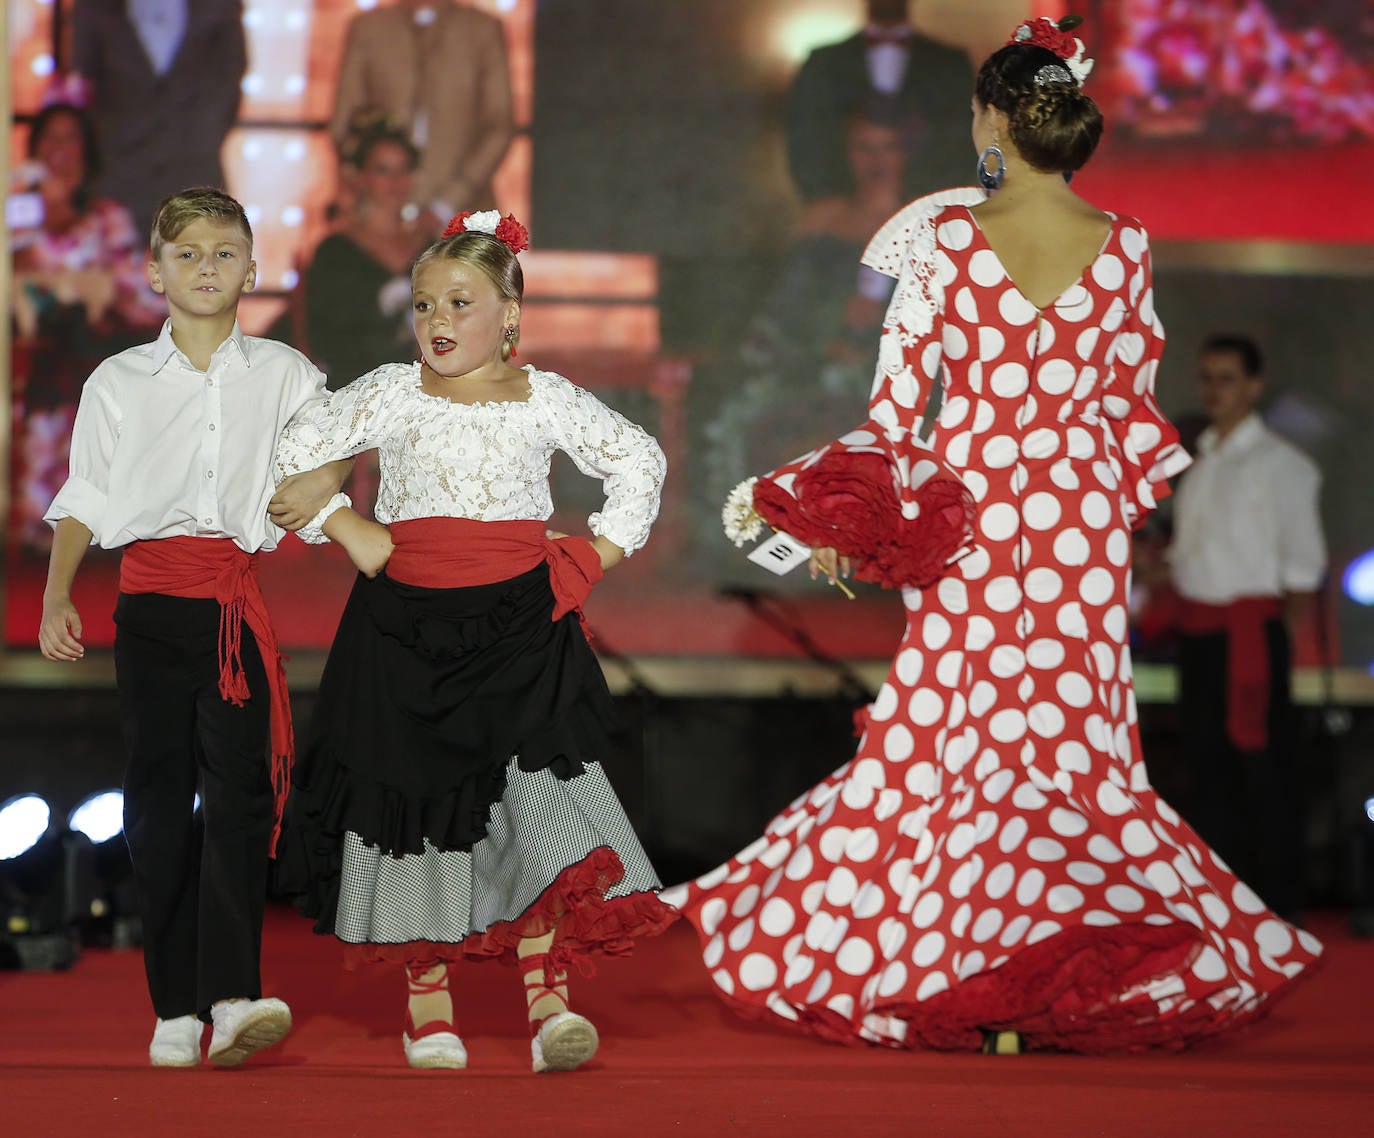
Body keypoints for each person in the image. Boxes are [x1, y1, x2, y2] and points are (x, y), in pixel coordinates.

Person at [665, 17, 1322, 1053]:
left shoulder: (944, 240)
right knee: (1073, 754)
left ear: (994, 123)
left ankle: (947, 968)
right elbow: (1127, 415)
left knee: (950, 746)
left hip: (975, 516)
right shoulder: (1128, 247)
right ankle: (1041, 977)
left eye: (975, 106)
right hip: (1077, 525)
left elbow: (894, 415)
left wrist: (846, 520)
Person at [270, 209, 673, 1073]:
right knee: (414, 816)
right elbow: (292, 458)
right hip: (406, 635)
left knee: (533, 813)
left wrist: (598, 552)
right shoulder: (390, 391)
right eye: (424, 306)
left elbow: (638, 459)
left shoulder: (545, 398)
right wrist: (349, 525)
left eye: (460, 302)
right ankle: (429, 1011)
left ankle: (549, 1002)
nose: (439, 321)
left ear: (511, 314)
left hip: (522, 633)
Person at [38, 187, 346, 1068]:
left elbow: (332, 449)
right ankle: (174, 1004)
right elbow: (84, 499)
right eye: (188, 253)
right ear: (153, 270)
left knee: (242, 800)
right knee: (160, 803)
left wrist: (322, 488)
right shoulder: (120, 381)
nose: (207, 267)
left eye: (224, 252)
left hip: (232, 610)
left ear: (253, 267)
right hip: (149, 612)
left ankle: (233, 995)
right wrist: (60, 595)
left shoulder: (285, 373)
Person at [1167, 334, 1325, 923]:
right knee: (1208, 772)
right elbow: (1192, 555)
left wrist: (1274, 642)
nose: (1213, 390)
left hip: (1251, 635)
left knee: (1265, 770)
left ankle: (1279, 904)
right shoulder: (1200, 459)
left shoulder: (1282, 466)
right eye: (1207, 377)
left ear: (1254, 387)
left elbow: (1303, 570)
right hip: (1199, 633)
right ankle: (1222, 905)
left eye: (1227, 378)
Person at [11, 100, 166, 548]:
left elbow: (131, 287)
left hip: (91, 344)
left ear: (88, 149)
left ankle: (86, 515)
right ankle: (39, 514)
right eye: (51, 137)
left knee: (83, 348)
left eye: (71, 137)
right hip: (30, 343)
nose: (60, 148)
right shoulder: (20, 210)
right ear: (36, 146)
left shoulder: (106, 214)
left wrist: (95, 291)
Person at [73, 0, 246, 235]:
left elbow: (231, 82)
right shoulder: (94, 8)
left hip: (197, 194)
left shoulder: (220, 8)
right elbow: (80, 92)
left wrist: (199, 138)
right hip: (115, 197)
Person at [330, 0, 514, 219]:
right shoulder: (369, 28)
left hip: (465, 212)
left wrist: (449, 201)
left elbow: (499, 125)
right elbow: (345, 123)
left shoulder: (481, 30)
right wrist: (369, 190)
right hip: (378, 219)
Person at [786, 0, 972, 203]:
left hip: (930, 210)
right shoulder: (823, 62)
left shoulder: (950, 63)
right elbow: (804, 139)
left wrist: (939, 203)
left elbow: (964, 141)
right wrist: (829, 200)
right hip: (842, 211)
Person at [300, 116, 439, 388]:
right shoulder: (336, 249)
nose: (395, 181)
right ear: (361, 177)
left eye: (403, 170)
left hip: (420, 389)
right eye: (383, 170)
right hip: (353, 386)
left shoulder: (430, 246)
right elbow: (322, 333)